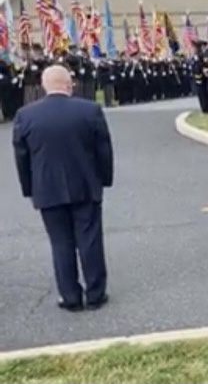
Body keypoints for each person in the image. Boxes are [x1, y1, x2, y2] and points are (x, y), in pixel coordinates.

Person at [12, 65, 114, 312]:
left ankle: (70, 296)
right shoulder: (89, 110)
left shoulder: (26, 115)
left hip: (47, 189)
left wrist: (29, 188)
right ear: (70, 84)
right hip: (85, 185)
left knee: (61, 243)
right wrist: (104, 179)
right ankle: (95, 293)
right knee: (89, 240)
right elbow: (104, 150)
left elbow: (22, 157)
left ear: (44, 86)